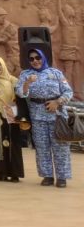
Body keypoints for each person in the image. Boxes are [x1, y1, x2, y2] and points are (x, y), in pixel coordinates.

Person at [16, 49, 74, 188]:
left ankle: (62, 177)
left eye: (38, 58)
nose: (35, 61)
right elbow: (20, 93)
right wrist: (27, 83)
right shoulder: (25, 74)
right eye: (31, 59)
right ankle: (47, 176)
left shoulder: (55, 73)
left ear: (43, 58)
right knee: (42, 147)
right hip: (37, 116)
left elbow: (68, 91)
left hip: (57, 115)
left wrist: (57, 102)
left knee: (60, 147)